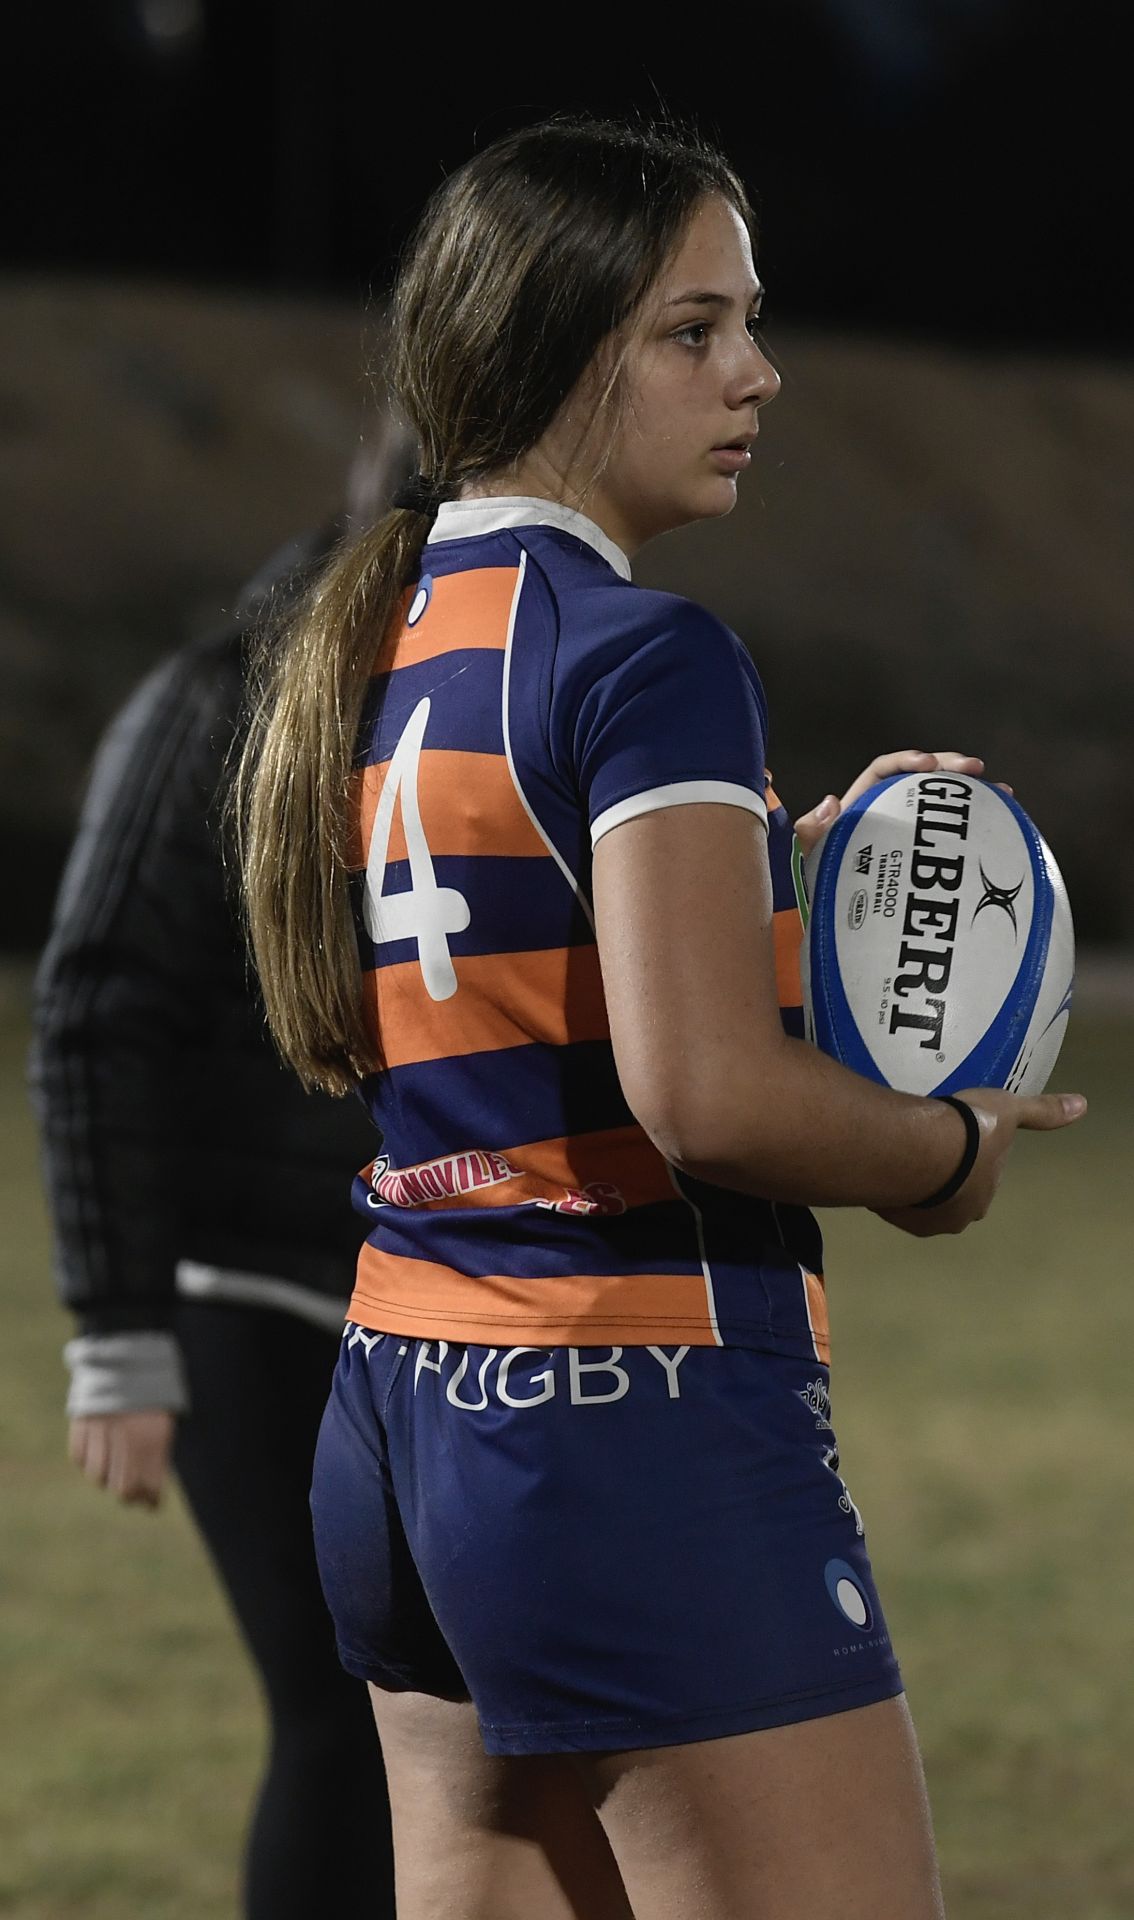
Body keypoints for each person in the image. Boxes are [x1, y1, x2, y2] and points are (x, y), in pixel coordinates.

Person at [237, 115, 1087, 1920]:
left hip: (402, 1410)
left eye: (748, 324)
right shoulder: (643, 653)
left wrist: (787, 875)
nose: (755, 374)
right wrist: (946, 1148)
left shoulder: (377, 633)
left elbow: (532, 961)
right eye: (692, 331)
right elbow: (702, 1096)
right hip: (628, 1417)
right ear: (552, 350)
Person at [30, 491, 399, 1918]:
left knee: (428, 1720)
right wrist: (118, 1338)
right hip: (241, 1297)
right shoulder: (214, 699)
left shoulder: (449, 709)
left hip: (402, 1299)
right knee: (339, 1716)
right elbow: (91, 1008)